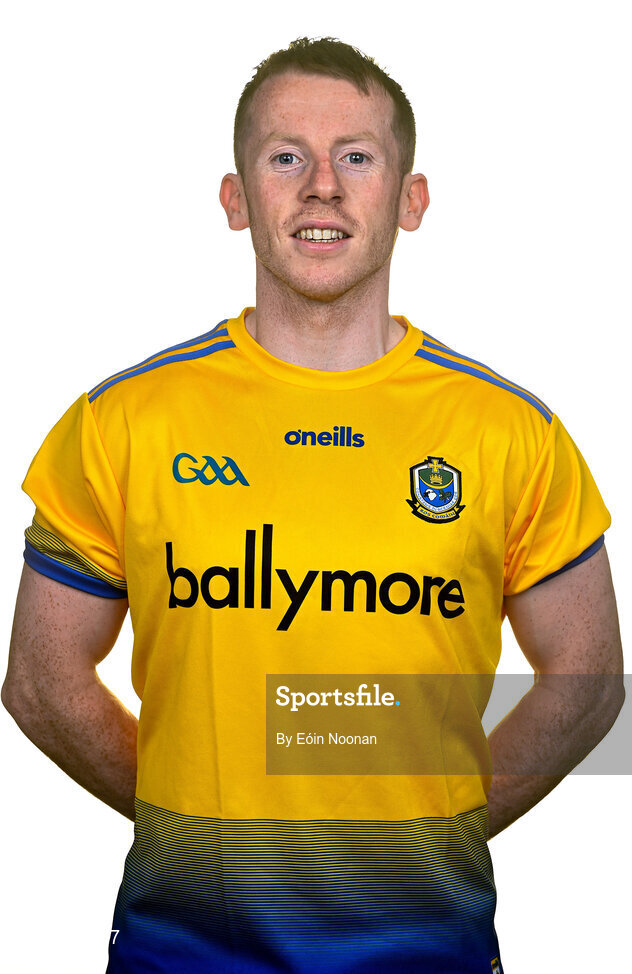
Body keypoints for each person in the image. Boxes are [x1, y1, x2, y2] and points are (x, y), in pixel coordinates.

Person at [2, 35, 624, 974]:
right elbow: (41, 680)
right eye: (286, 156)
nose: (322, 185)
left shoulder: (512, 433)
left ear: (410, 200)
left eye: (358, 157)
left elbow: (588, 682)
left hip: (429, 952)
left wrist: (427, 827)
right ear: (236, 198)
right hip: (184, 955)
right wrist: (197, 826)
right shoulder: (119, 423)